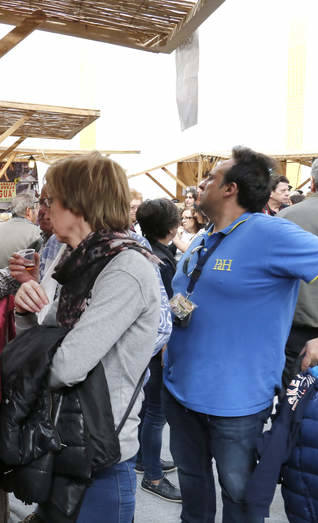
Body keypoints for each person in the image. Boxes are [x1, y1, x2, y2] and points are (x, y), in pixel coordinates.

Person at [163, 146, 318, 522]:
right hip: (180, 392)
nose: (199, 184)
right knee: (193, 492)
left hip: (236, 404)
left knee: (240, 497)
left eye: (211, 177)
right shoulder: (203, 237)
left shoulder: (270, 232)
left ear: (230, 188)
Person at [15, 153, 161, 522]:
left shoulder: (124, 268)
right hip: (66, 439)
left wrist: (25, 364)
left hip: (98, 451)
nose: (45, 210)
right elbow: (45, 334)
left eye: (51, 200)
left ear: (78, 204)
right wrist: (23, 313)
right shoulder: (82, 257)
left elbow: (65, 367)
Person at [133, 198, 182, 502]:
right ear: (173, 228)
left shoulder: (146, 251)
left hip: (149, 343)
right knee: (155, 412)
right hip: (158, 345)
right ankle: (152, 475)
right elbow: (171, 305)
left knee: (150, 410)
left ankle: (144, 458)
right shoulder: (160, 261)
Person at [277, 158, 318, 391]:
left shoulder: (285, 218)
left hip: (294, 333)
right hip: (299, 329)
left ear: (312, 183)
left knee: (292, 409)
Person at [0, 186, 52, 305]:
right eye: (40, 205)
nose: (40, 212)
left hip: (13, 302)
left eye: (47, 203)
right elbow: (11, 275)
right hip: (13, 300)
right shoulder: (43, 238)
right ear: (29, 211)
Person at [0, 191, 40, 275]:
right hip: (21, 286)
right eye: (36, 210)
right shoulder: (36, 233)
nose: (38, 214)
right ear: (28, 211)